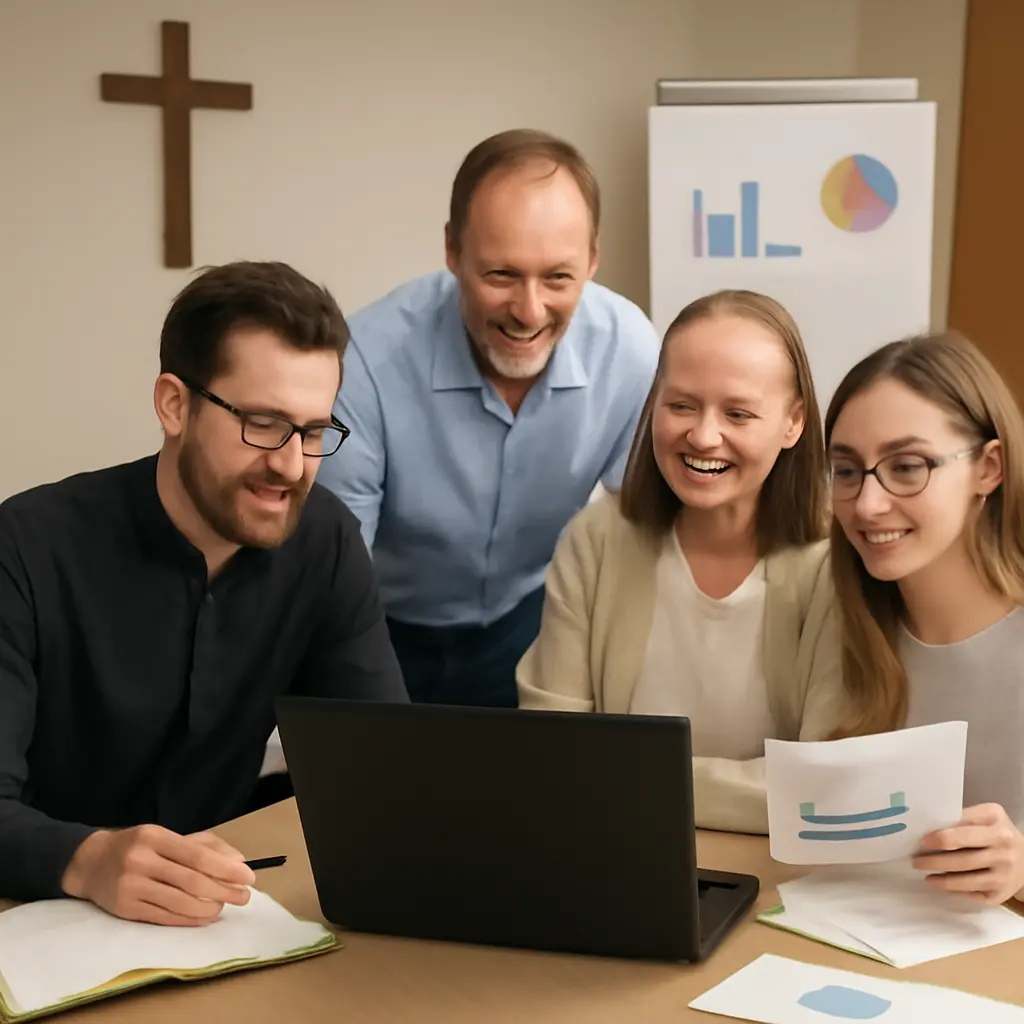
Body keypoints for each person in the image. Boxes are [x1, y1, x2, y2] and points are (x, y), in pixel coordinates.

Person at [0, 261, 407, 920]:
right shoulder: (25, 546)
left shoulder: (324, 541)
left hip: (216, 917)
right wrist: (86, 858)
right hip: (33, 913)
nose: (291, 465)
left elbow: (380, 770)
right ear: (174, 405)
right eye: (263, 423)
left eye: (312, 432)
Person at [316, 129, 660, 709]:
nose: (529, 310)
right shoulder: (364, 362)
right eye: (501, 275)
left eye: (558, 277)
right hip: (379, 624)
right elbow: (336, 572)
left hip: (533, 622)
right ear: (453, 251)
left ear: (593, 258)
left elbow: (648, 535)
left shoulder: (629, 351)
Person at [517, 289, 845, 835]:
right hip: (616, 849)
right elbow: (553, 754)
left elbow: (823, 784)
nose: (704, 436)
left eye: (738, 413)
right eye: (682, 405)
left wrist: (626, 778)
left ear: (794, 423)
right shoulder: (596, 539)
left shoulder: (839, 563)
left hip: (778, 868)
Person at [825, 331, 1024, 906]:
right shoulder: (838, 627)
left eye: (907, 467)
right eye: (846, 471)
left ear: (989, 468)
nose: (867, 505)